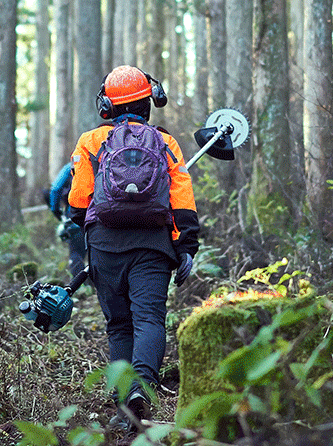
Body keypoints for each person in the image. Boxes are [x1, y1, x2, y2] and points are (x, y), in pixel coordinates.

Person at [67, 65, 198, 431]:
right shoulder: (166, 142)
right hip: (153, 246)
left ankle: (123, 401)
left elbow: (78, 203)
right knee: (150, 319)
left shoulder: (91, 141)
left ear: (107, 105)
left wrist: (93, 230)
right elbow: (182, 197)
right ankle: (143, 388)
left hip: (106, 245)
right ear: (150, 102)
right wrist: (186, 245)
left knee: (119, 326)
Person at [47, 161, 88, 279]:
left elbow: (55, 189)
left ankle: (80, 287)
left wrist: (56, 210)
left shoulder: (71, 166)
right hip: (99, 217)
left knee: (76, 253)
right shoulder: (102, 161)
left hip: (75, 217)